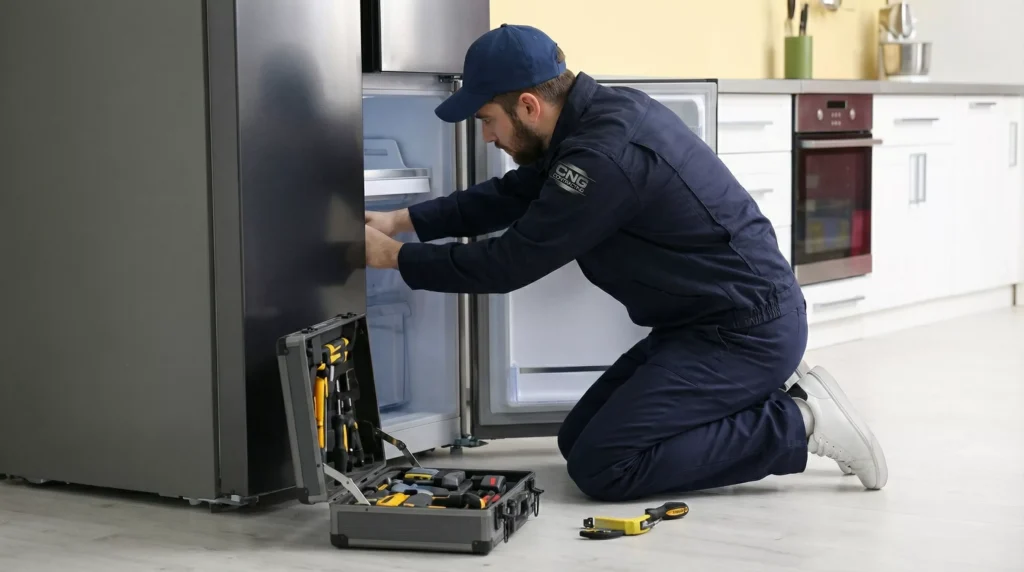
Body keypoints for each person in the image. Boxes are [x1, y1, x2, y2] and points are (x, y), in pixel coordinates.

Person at [363, 24, 887, 502]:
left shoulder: (601, 158)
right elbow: (513, 193)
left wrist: (396, 259)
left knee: (605, 466)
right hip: (703, 324)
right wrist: (400, 220)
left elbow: (507, 264)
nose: (487, 136)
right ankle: (760, 399)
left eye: (487, 120)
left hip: (745, 331)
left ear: (528, 106)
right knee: (576, 440)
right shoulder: (591, 119)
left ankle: (800, 421)